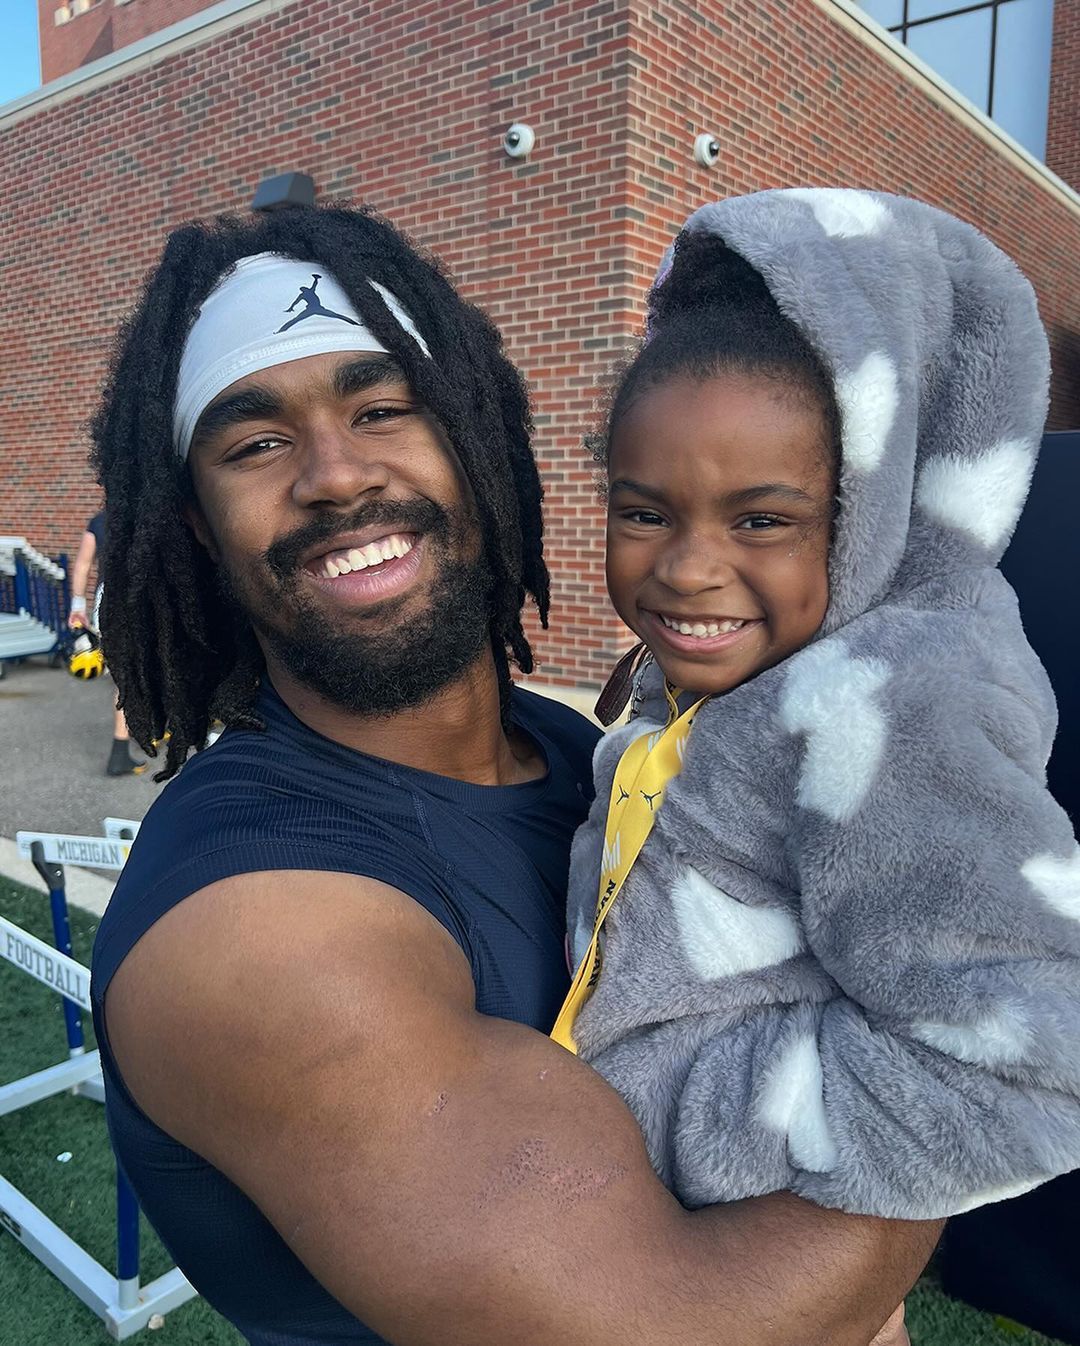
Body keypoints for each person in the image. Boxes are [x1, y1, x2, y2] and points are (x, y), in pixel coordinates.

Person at [89, 204, 937, 1346]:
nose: (337, 475)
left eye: (383, 407)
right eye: (256, 443)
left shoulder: (596, 755)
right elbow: (693, 1326)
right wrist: (975, 1041)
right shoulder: (254, 934)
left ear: (476, 434)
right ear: (196, 527)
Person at [560, 190, 1080, 1233]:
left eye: (763, 518)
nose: (688, 568)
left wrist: (684, 1117)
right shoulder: (739, 668)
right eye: (642, 511)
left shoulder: (886, 702)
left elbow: (1038, 1076)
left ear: (865, 511)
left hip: (711, 1256)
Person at [66, 510, 146, 775]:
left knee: (125, 678)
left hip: (108, 604)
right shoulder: (154, 511)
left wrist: (78, 606)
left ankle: (134, 733)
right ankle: (122, 749)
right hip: (141, 602)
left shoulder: (100, 521)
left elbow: (83, 564)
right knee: (140, 675)